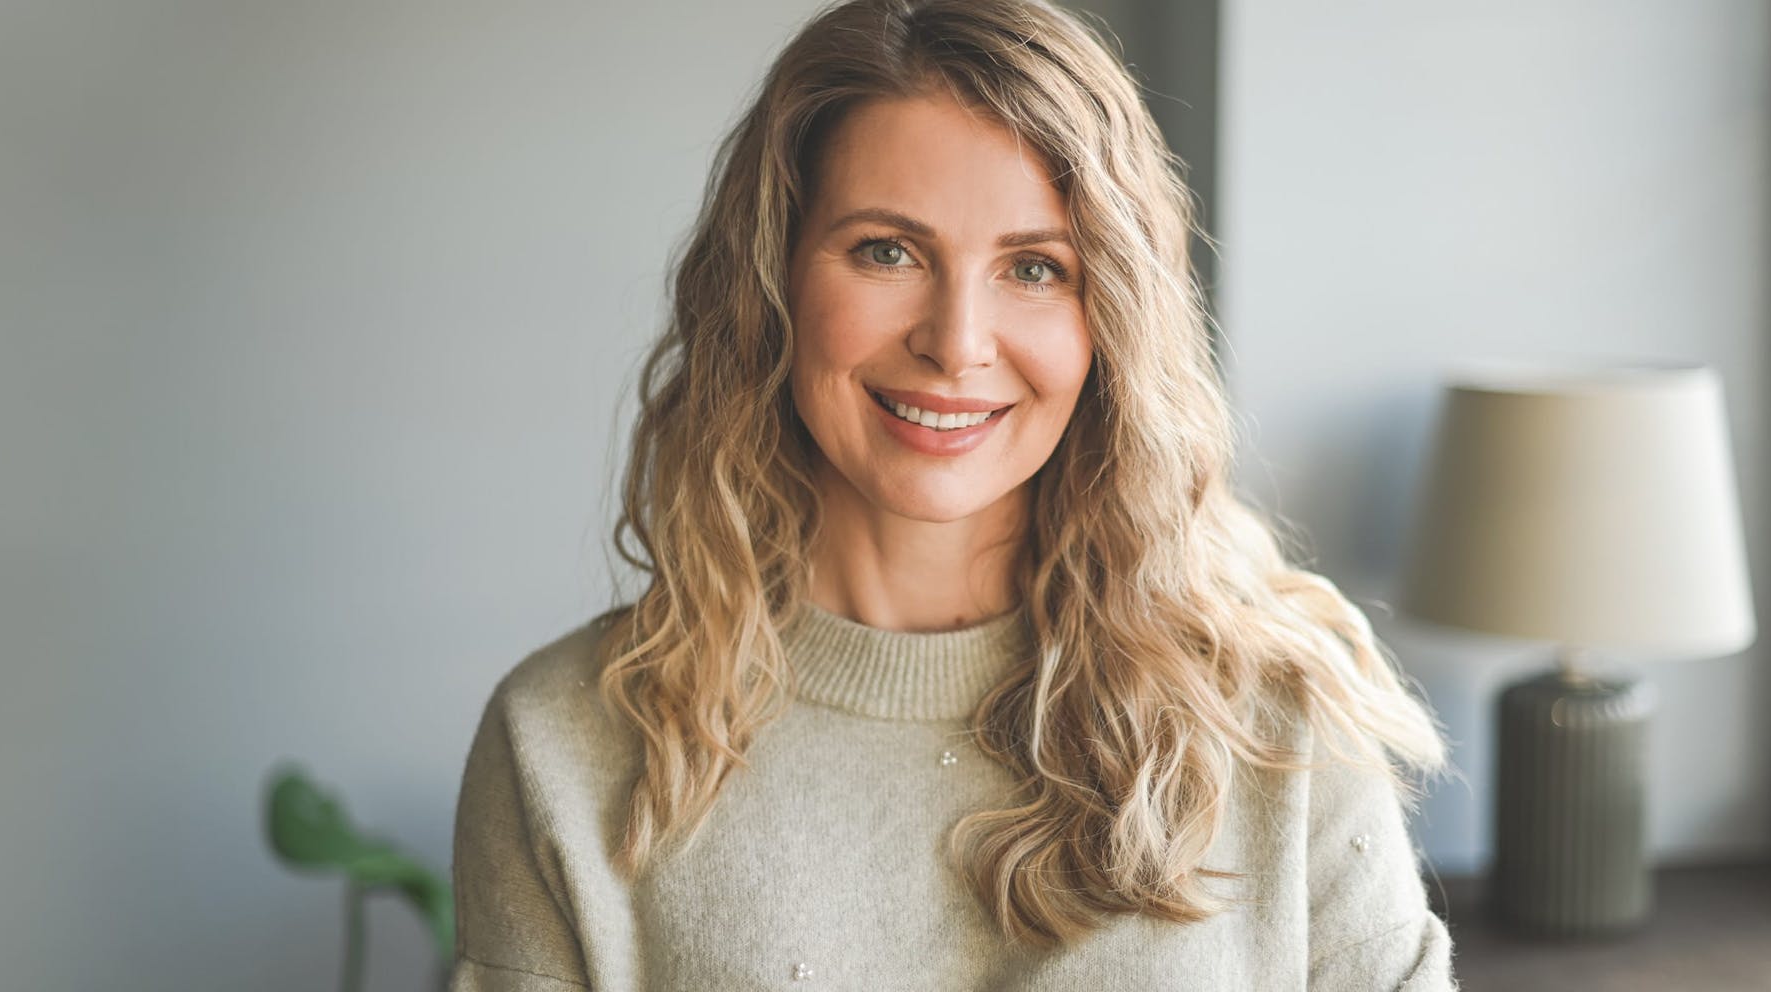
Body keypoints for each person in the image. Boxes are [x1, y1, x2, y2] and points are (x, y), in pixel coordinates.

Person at [448, 0, 1457, 988]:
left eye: (1033, 267)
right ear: (773, 284)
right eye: (886, 250)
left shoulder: (1282, 726)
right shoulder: (562, 745)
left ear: (1108, 319)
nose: (956, 342)